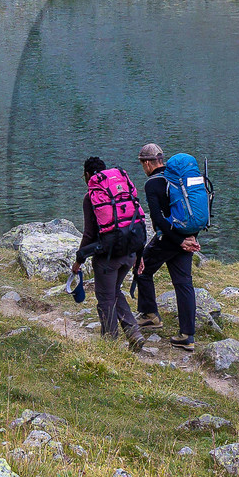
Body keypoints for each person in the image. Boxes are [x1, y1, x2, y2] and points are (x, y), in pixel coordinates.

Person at [71, 157, 146, 352]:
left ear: (88, 175)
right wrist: (140, 255)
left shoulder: (91, 197)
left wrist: (79, 259)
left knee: (105, 297)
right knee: (114, 291)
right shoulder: (122, 191)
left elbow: (88, 234)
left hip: (108, 257)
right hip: (129, 252)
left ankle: (109, 345)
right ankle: (134, 333)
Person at [133, 143, 198, 352]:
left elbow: (158, 220)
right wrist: (189, 238)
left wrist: (178, 241)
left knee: (141, 269)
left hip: (170, 239)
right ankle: (188, 335)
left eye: (142, 163)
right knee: (184, 284)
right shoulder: (178, 180)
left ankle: (150, 315)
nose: (143, 167)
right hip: (186, 237)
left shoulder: (153, 184)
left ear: (148, 163)